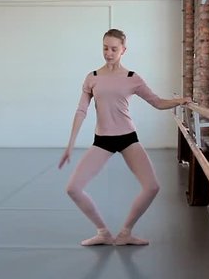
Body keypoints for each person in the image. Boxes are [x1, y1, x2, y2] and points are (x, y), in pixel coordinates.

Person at [58, 28, 191, 246]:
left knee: (152, 186)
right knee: (73, 188)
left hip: (128, 137)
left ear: (123, 50)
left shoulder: (132, 78)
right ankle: (103, 232)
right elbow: (81, 111)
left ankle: (125, 232)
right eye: (105, 48)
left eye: (113, 49)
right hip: (103, 140)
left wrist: (180, 101)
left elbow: (157, 102)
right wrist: (70, 145)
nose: (108, 53)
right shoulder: (92, 77)